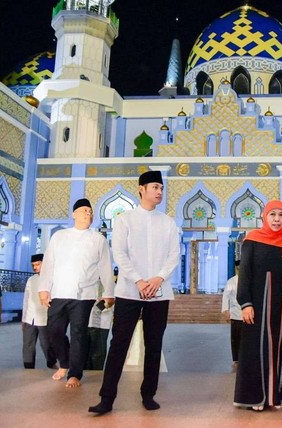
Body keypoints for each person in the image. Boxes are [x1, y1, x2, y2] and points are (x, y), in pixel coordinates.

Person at [89, 170, 180, 415]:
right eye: (154, 187)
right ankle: (106, 398)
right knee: (119, 344)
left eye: (161, 188)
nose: (159, 192)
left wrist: (159, 278)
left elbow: (174, 255)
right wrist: (139, 281)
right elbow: (120, 253)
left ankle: (148, 394)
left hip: (159, 293)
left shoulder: (168, 222)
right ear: (141, 189)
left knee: (154, 344)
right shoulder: (125, 219)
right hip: (129, 291)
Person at [234, 200, 282, 411]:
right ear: (264, 217)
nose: (277, 219)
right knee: (257, 347)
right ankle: (257, 397)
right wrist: (245, 303)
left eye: (281, 215)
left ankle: (280, 395)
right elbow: (245, 274)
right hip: (258, 303)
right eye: (272, 215)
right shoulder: (253, 239)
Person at [38, 198, 116, 388]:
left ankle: (75, 374)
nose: (88, 214)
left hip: (84, 295)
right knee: (53, 332)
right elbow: (48, 264)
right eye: (84, 211)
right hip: (59, 292)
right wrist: (43, 289)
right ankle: (64, 363)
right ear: (74, 214)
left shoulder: (98, 239)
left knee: (78, 333)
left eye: (90, 211)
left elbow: (105, 267)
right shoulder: (59, 237)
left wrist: (109, 293)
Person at [22, 253, 57, 369]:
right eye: (33, 265)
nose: (35, 267)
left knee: (45, 344)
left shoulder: (53, 279)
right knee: (28, 344)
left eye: (37, 264)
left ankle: (51, 361)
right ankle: (28, 367)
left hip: (45, 318)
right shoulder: (31, 280)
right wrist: (23, 319)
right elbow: (26, 300)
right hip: (29, 318)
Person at [222, 260, 243, 369]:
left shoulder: (251, 280)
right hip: (235, 313)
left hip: (248, 314)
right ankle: (236, 359)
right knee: (235, 338)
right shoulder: (231, 281)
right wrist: (226, 310)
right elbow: (226, 296)